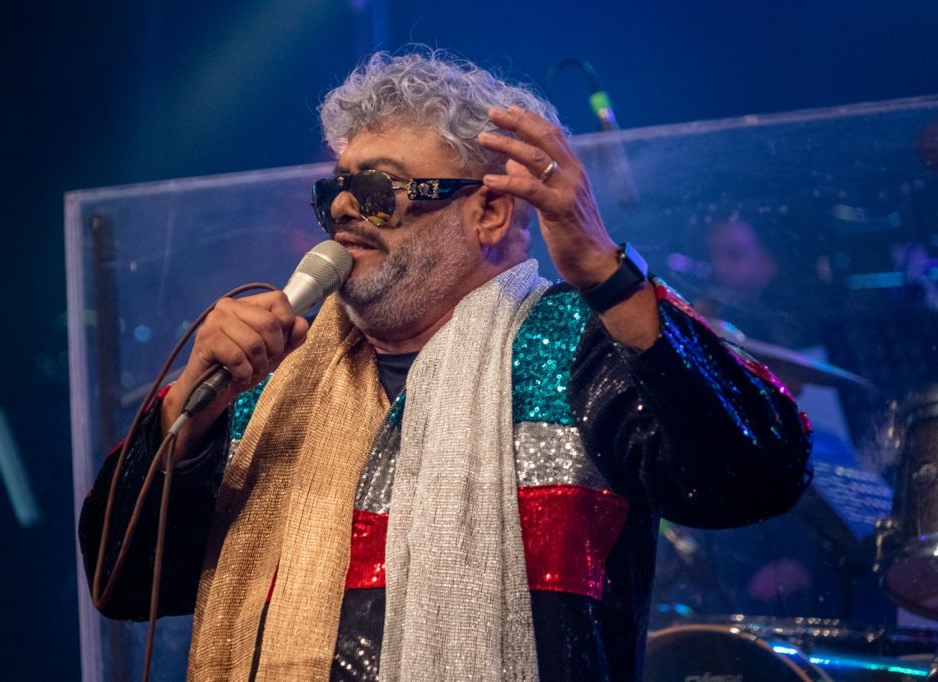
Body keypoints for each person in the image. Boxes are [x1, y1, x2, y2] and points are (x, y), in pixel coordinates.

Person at [79, 49, 813, 681]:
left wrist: (605, 271)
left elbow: (758, 473)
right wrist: (191, 408)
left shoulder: (584, 349)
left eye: (378, 191)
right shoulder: (266, 378)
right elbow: (122, 583)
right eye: (335, 190)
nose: (344, 209)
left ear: (488, 213)